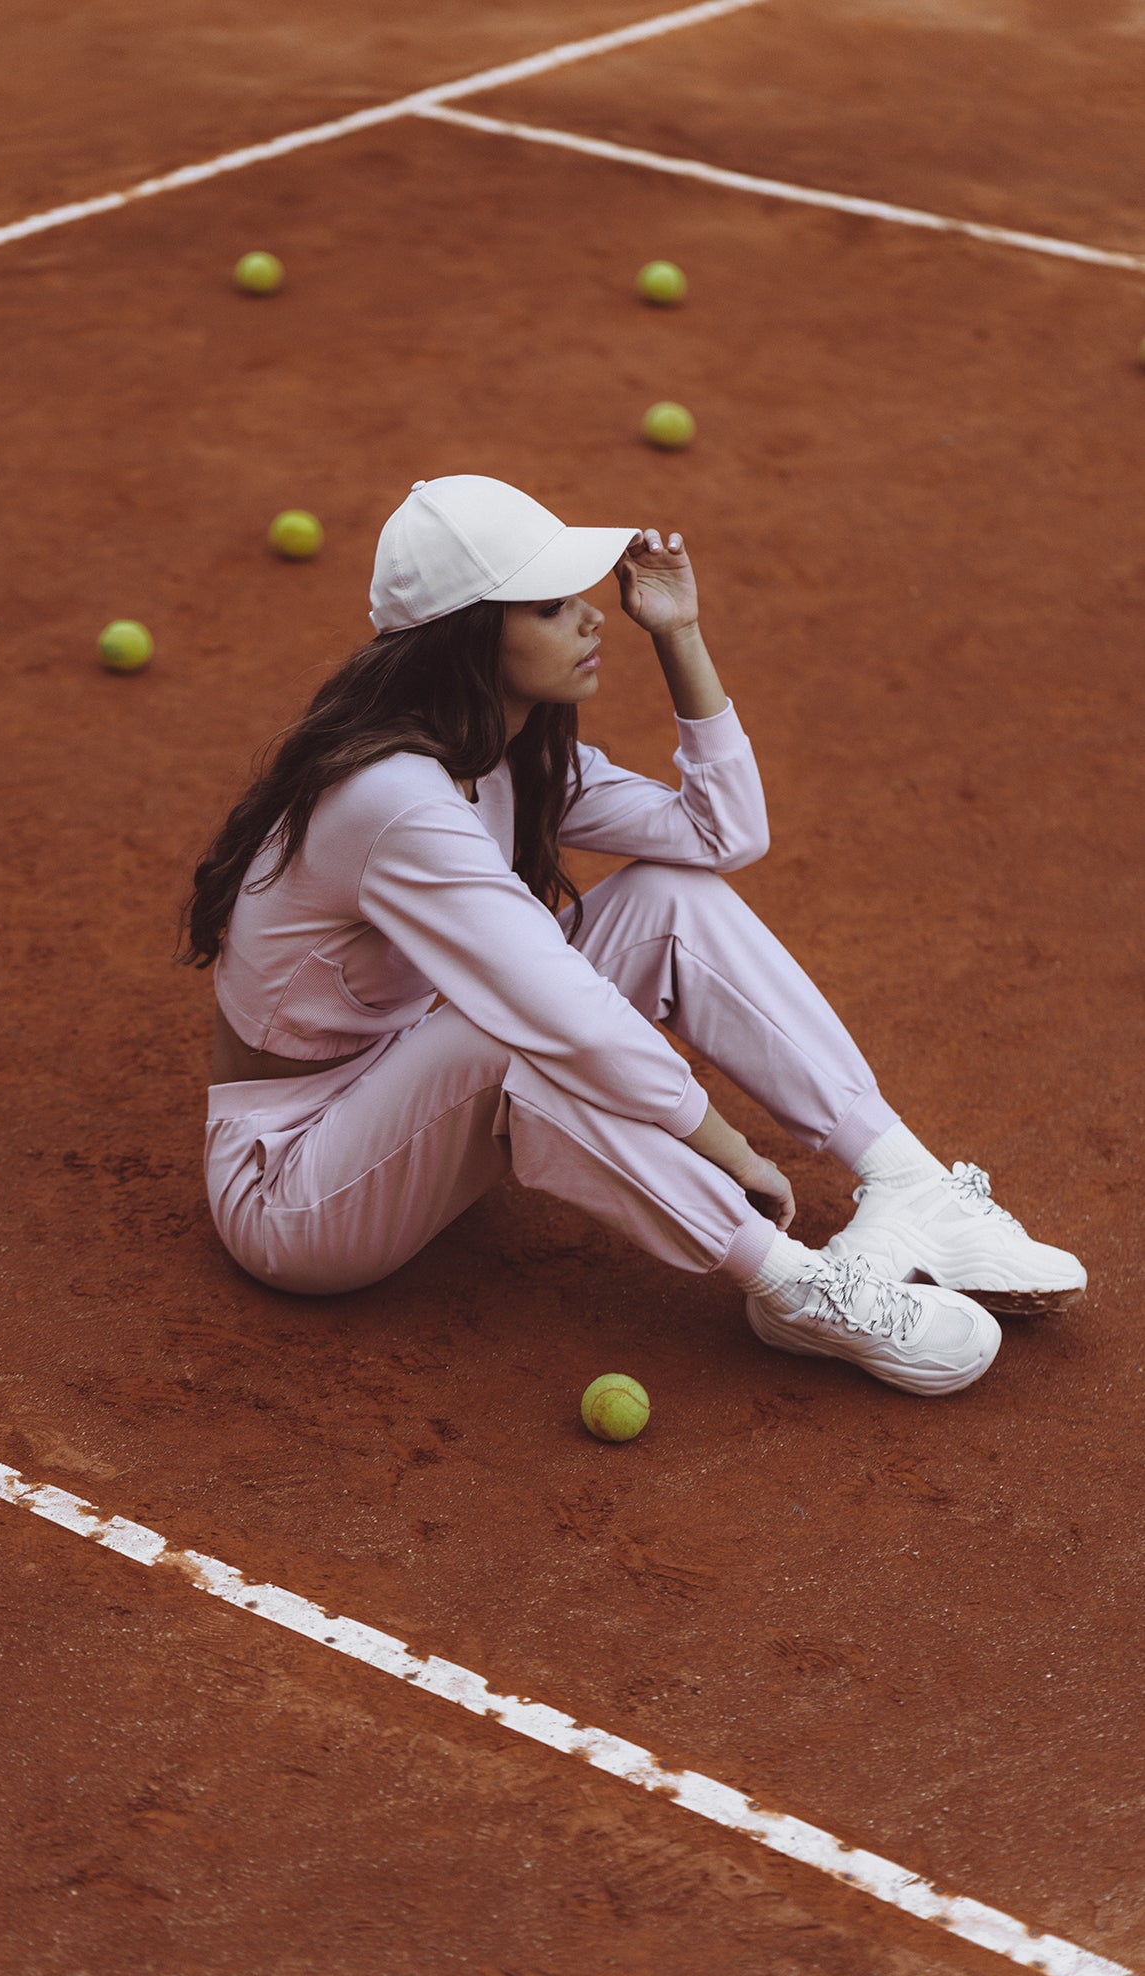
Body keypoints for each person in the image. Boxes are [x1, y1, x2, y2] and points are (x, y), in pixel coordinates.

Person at [183, 476, 1085, 1397]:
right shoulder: (393, 802)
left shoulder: (502, 753)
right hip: (293, 1189)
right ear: (467, 638)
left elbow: (721, 837)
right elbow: (563, 1018)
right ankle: (791, 1285)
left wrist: (680, 635)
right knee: (516, 1032)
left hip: (404, 1083)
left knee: (664, 894)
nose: (591, 618)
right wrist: (725, 1147)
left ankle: (905, 1180)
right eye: (549, 606)